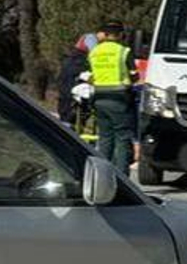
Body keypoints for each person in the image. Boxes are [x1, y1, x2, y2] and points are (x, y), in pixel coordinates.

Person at [88, 21, 137, 171]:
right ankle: (122, 176)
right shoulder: (124, 51)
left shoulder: (94, 52)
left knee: (105, 138)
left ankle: (102, 174)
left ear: (105, 34)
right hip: (119, 99)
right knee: (122, 138)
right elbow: (134, 75)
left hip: (99, 98)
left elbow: (91, 76)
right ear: (120, 35)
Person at [57, 33, 96, 126]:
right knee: (69, 96)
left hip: (74, 65)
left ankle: (69, 120)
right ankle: (68, 121)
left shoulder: (91, 38)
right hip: (76, 65)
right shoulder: (91, 37)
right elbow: (94, 53)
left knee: (68, 96)